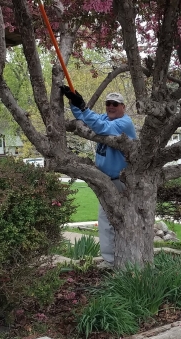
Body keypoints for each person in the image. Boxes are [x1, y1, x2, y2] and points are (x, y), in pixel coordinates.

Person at [61, 86, 137, 265]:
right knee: (106, 220)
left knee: (114, 220)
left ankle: (117, 261)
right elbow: (84, 118)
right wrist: (74, 101)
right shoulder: (104, 118)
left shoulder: (124, 123)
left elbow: (101, 127)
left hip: (120, 181)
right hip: (104, 179)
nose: (111, 106)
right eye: (108, 103)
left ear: (123, 107)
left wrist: (84, 107)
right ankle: (112, 260)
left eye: (115, 104)